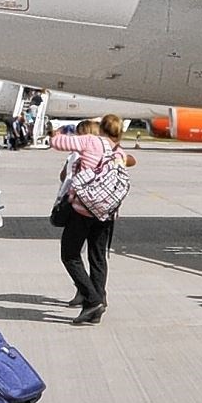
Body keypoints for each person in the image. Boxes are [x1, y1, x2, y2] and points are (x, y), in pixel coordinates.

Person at [50, 116, 134, 325]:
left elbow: (57, 143)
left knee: (70, 255)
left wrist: (58, 131)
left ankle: (92, 299)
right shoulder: (118, 152)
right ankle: (98, 302)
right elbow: (132, 161)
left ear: (101, 128)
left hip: (83, 209)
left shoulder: (90, 141)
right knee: (98, 257)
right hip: (106, 212)